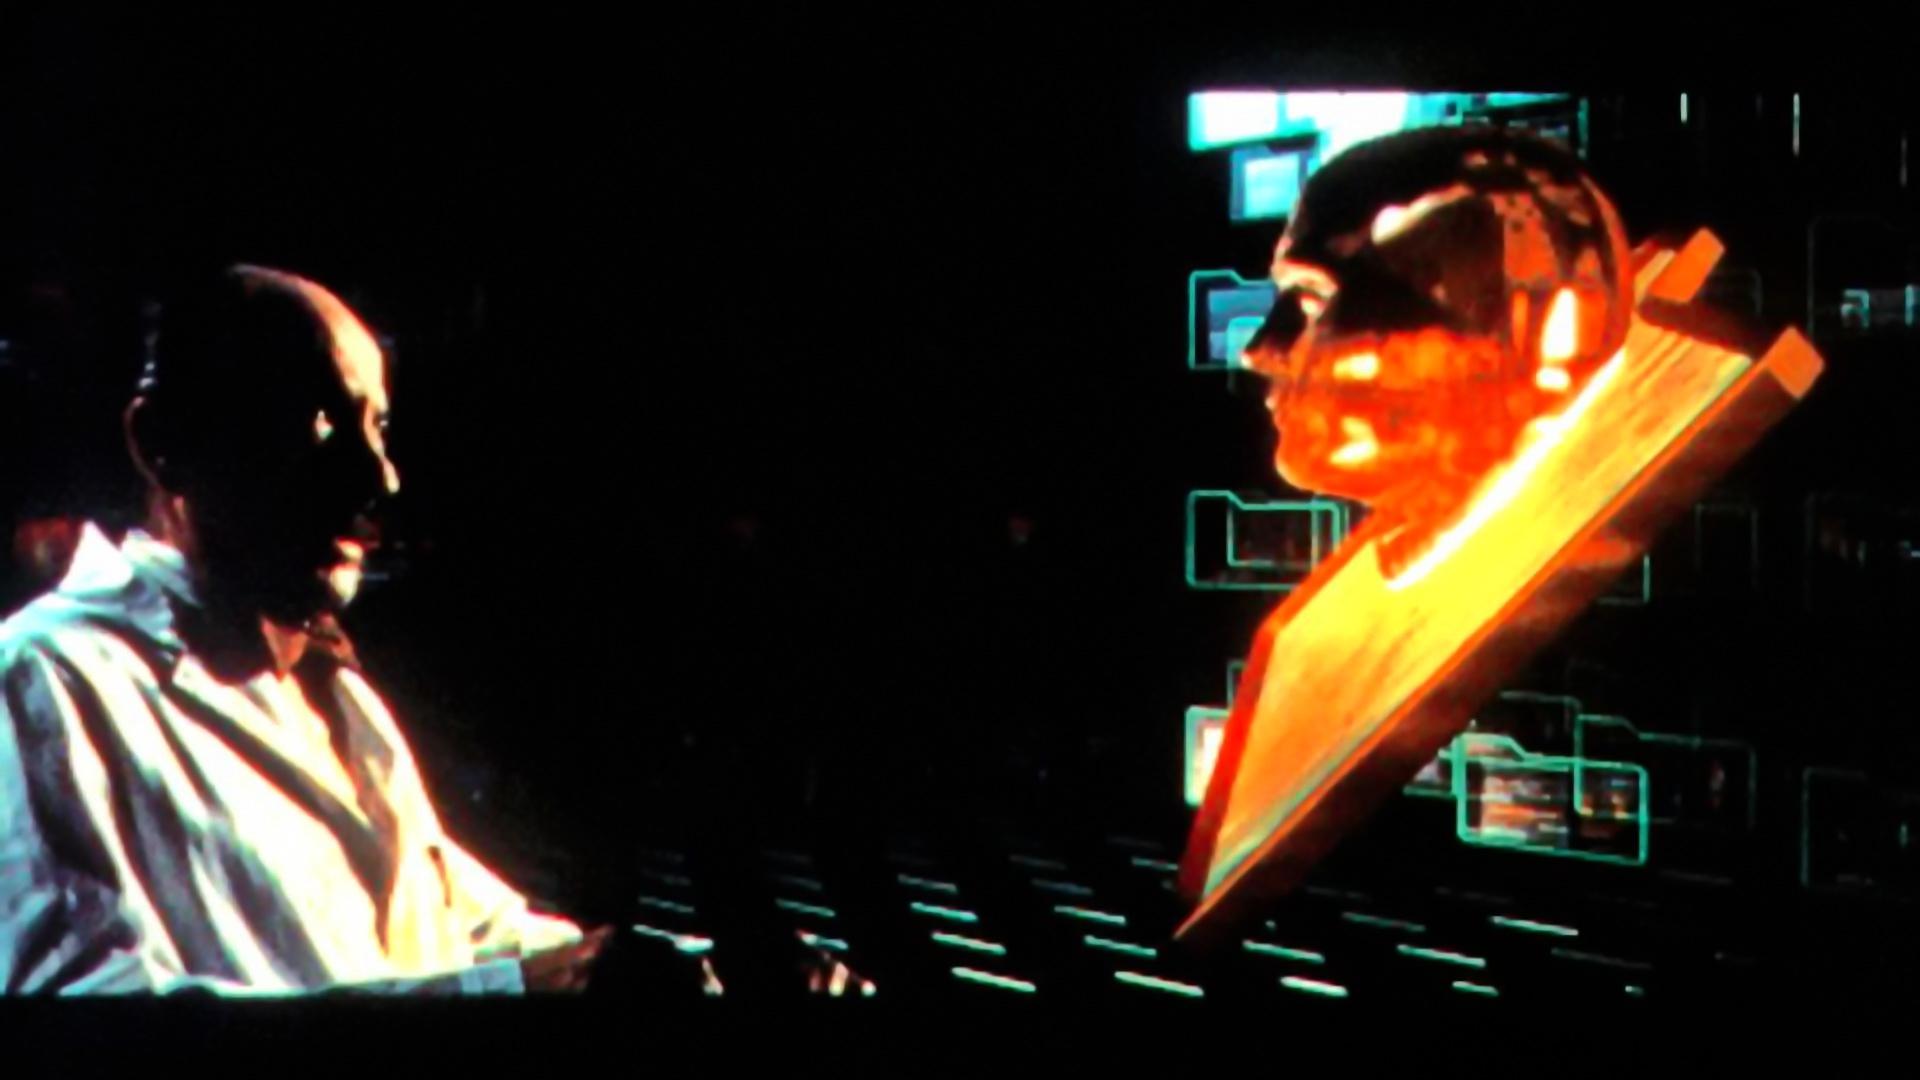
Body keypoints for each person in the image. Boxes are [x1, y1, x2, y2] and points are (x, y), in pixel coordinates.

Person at [0, 265, 611, 994]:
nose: (379, 477)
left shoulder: (339, 700)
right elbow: (86, 1015)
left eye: (377, 427)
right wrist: (514, 990)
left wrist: (640, 966)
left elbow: (464, 928)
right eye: (318, 418)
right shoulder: (39, 682)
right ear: (161, 442)